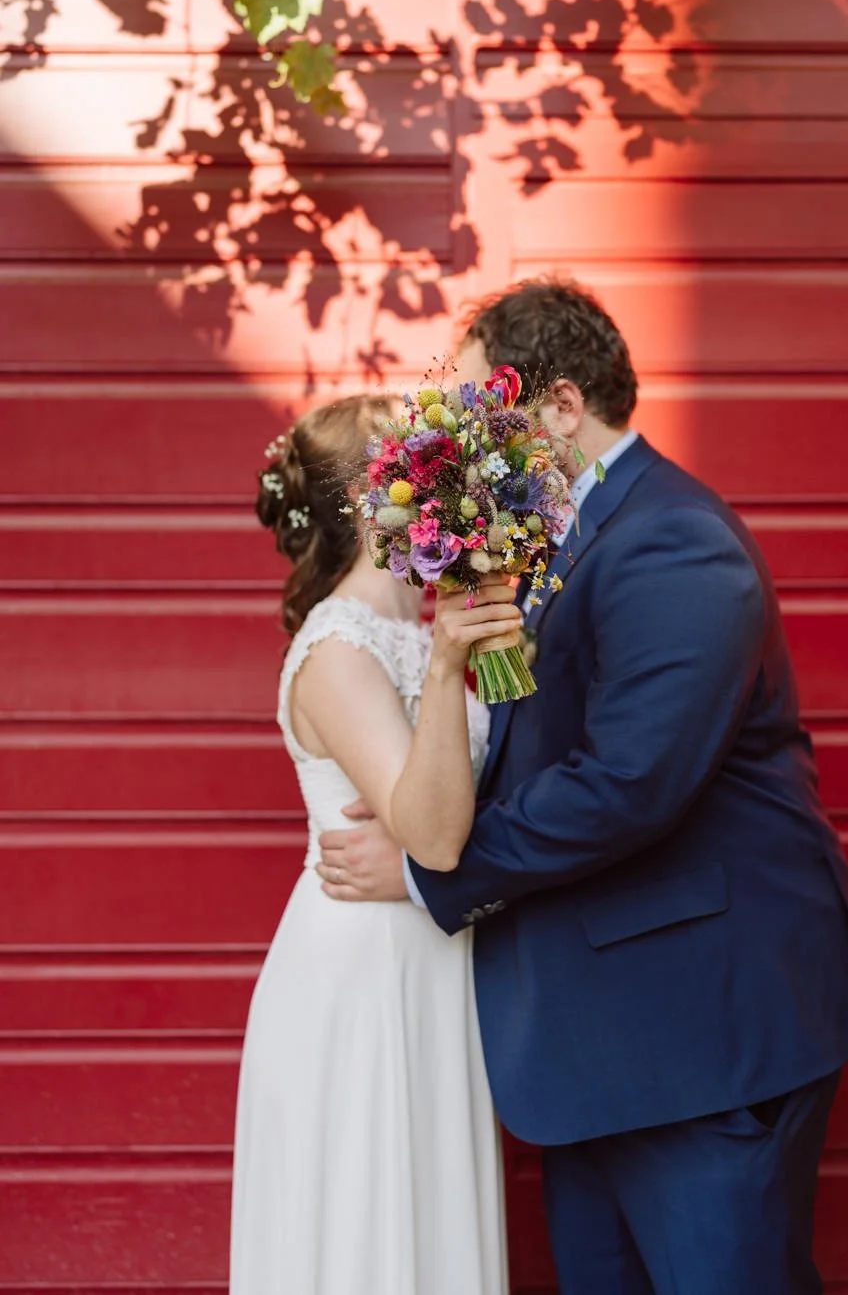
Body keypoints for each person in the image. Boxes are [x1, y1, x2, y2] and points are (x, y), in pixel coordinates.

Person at [317, 279, 848, 1295]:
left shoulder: (673, 542)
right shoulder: (547, 540)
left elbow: (628, 783)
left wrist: (425, 874)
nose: (464, 435)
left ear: (562, 409)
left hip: (702, 1033)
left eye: (483, 409)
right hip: (600, 1042)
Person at [229, 394, 515, 1295]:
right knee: (369, 1228)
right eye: (423, 469)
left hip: (431, 954)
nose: (451, 482)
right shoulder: (339, 650)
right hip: (362, 976)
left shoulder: (428, 624)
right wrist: (445, 668)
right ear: (373, 503)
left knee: (430, 1218)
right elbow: (430, 831)